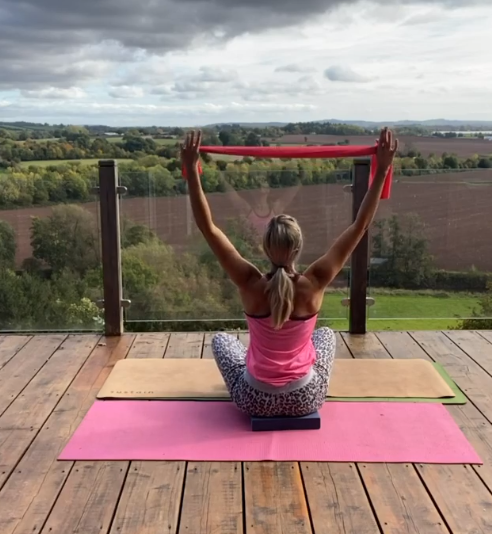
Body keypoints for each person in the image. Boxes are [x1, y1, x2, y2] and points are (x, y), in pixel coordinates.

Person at [181, 128, 398, 417]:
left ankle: (260, 366)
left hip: (253, 399)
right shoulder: (315, 283)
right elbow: (359, 226)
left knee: (222, 339)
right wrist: (382, 169)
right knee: (327, 335)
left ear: (266, 248)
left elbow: (208, 228)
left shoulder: (249, 282)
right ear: (298, 247)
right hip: (305, 398)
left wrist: (192, 169)